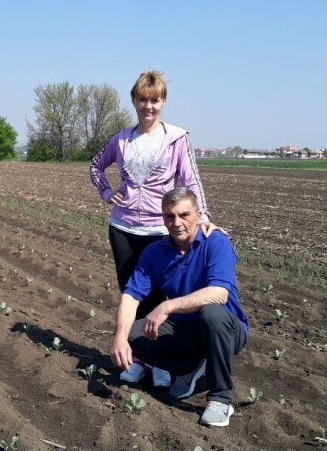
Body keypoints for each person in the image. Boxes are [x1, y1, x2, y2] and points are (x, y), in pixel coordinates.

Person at [89, 69, 217, 387]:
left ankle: (161, 361)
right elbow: (95, 165)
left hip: (160, 230)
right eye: (143, 100)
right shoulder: (121, 138)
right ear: (134, 100)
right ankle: (136, 359)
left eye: (155, 100)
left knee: (162, 298)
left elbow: (190, 181)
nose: (149, 106)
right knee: (132, 295)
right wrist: (106, 192)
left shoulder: (176, 138)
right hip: (123, 228)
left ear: (163, 102)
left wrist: (202, 216)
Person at [110, 188, 249, 427]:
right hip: (183, 330)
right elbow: (132, 295)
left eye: (184, 215)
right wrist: (119, 338)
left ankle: (221, 398)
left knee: (211, 314)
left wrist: (167, 307)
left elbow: (219, 293)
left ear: (199, 215)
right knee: (133, 333)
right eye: (169, 216)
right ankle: (190, 366)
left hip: (226, 329)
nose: (176, 223)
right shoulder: (155, 252)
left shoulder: (216, 242)